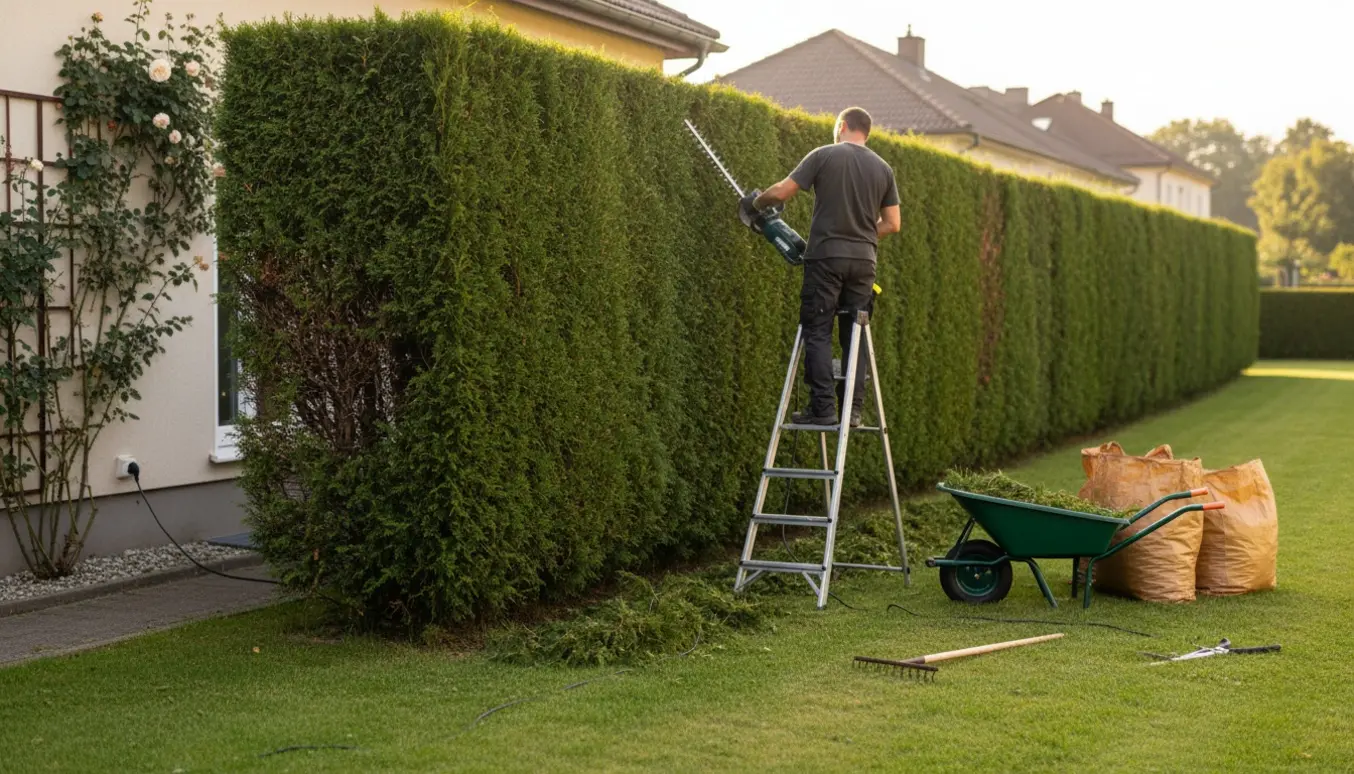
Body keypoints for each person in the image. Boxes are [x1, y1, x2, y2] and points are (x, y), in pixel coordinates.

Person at [741, 106, 901, 426]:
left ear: (842, 126)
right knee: (853, 333)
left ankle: (823, 409)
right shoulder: (883, 168)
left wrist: (756, 203)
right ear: (866, 132)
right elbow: (893, 224)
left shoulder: (824, 155)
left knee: (817, 329)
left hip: (826, 258)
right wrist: (862, 233)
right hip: (864, 263)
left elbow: (784, 191)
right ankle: (853, 411)